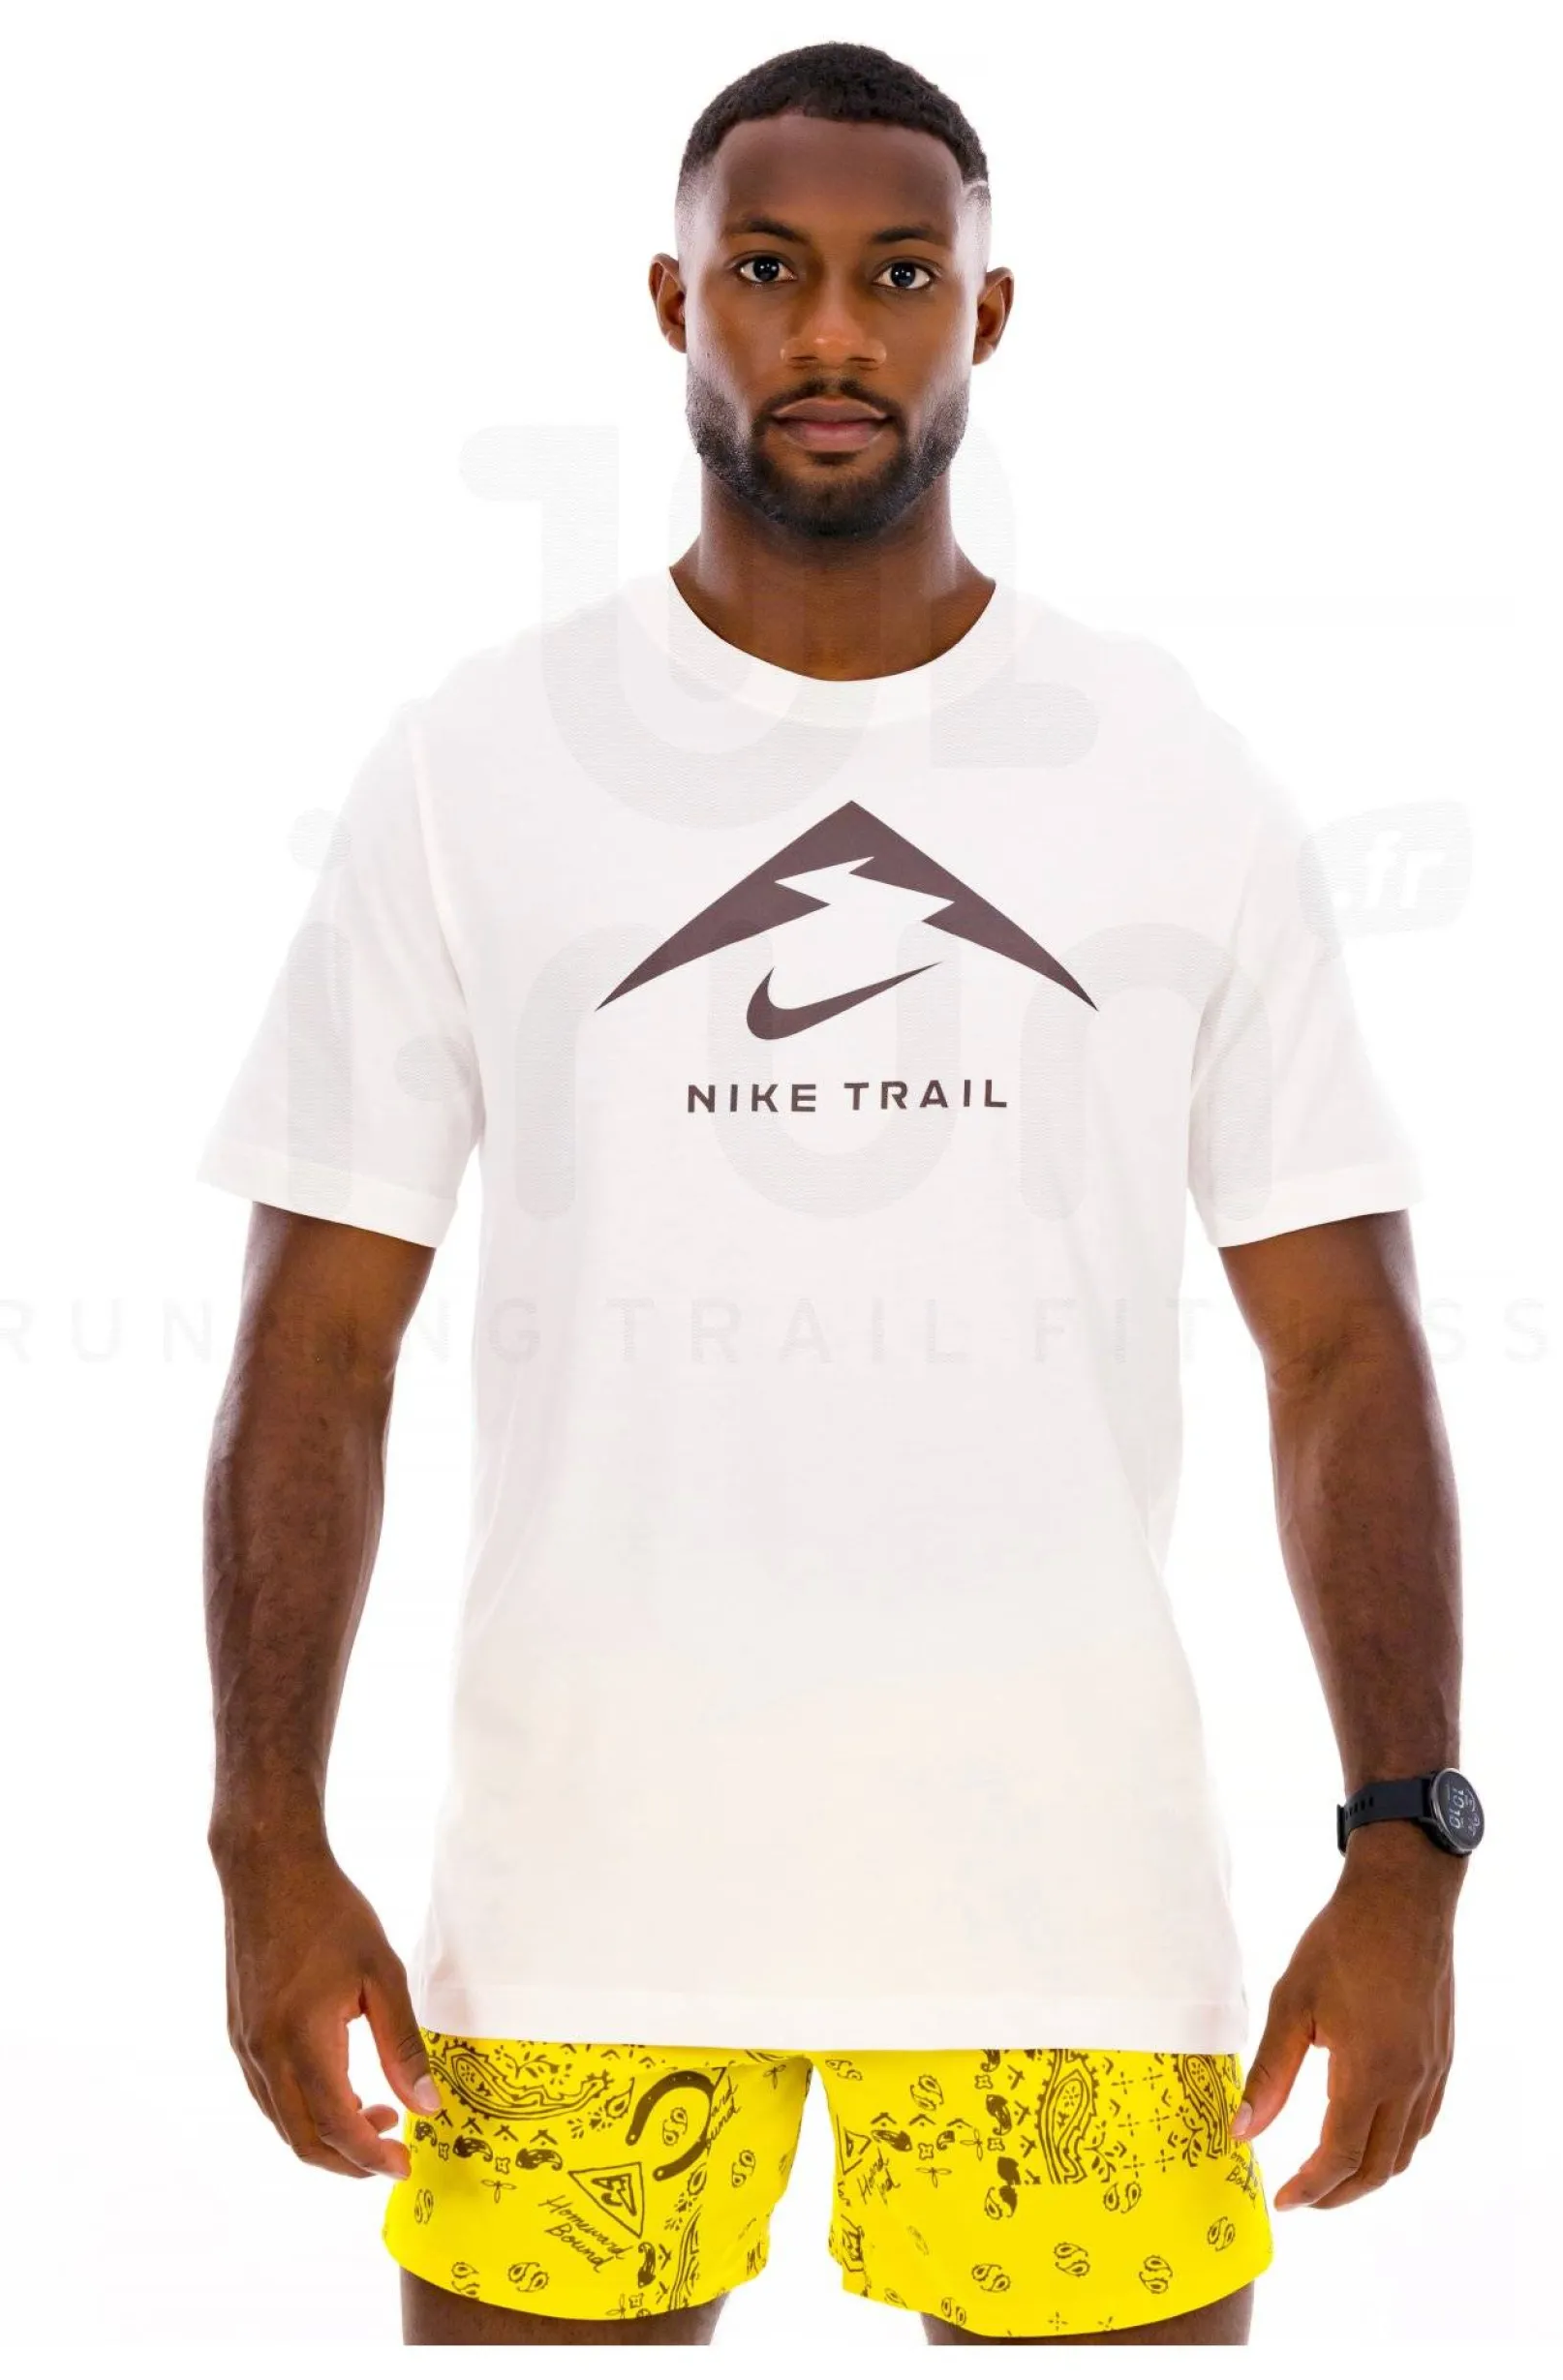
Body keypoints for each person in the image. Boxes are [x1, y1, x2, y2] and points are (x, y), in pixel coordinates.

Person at [197, 41, 1479, 2348]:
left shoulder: (1165, 771)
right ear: (671, 296)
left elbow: (1338, 1345)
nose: (828, 331)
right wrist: (262, 1835)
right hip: (579, 1911)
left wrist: (1407, 1840)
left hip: (1066, 1925)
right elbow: (319, 1339)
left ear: (986, 312)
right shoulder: (478, 767)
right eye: (767, 269)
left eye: (897, 275)